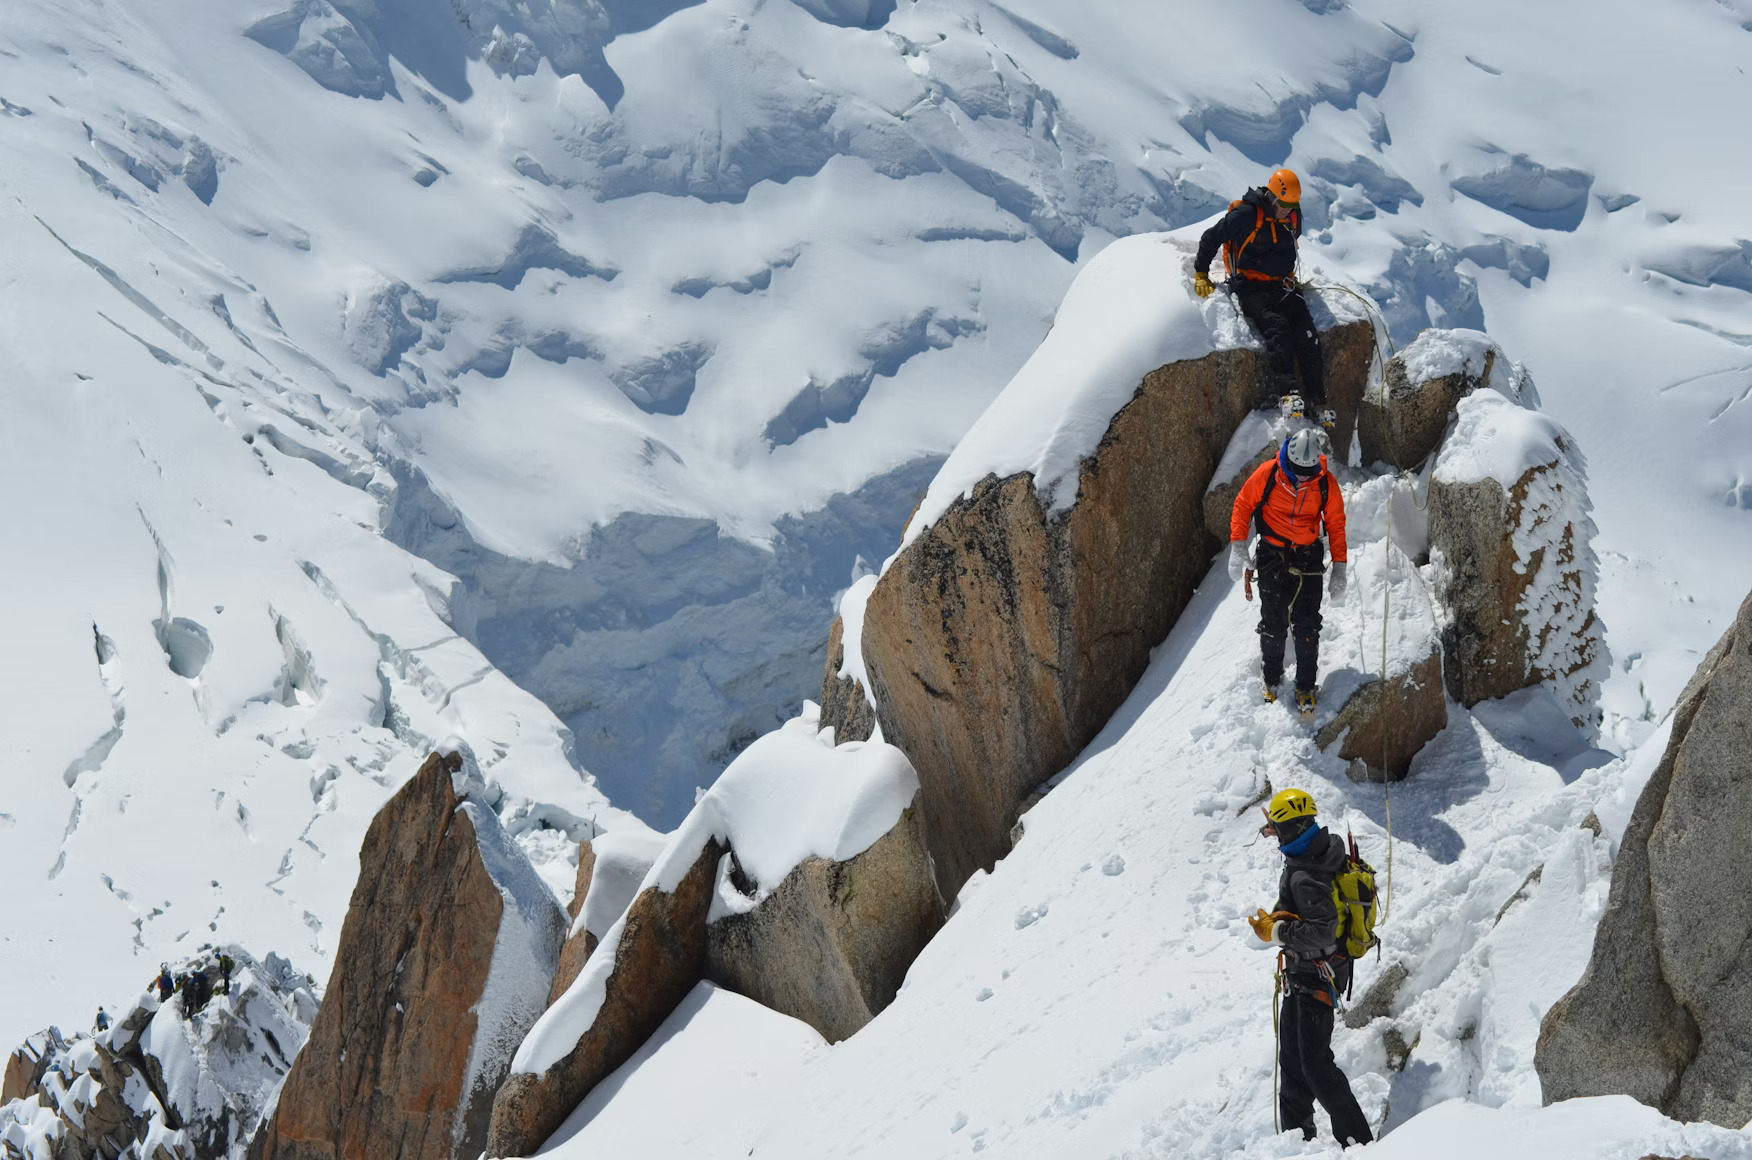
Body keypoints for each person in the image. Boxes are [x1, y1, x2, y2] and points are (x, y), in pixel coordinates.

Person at [1248, 788, 1373, 1148]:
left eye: (1279, 830)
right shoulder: (1323, 850)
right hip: (1312, 975)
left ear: (1294, 830)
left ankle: (1361, 1145)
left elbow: (1322, 930)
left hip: (1314, 977)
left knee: (1315, 1067)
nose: (1276, 837)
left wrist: (1277, 932)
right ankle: (1295, 1141)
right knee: (1293, 1062)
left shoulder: (1307, 875)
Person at [1192, 169, 1331, 425]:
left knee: (1307, 334)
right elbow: (1211, 237)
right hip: (1250, 285)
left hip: (1283, 285)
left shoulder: (1291, 217)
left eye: (1293, 206)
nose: (1289, 211)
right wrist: (1201, 272)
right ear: (1273, 199)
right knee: (1277, 330)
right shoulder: (1247, 215)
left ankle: (1317, 399)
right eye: (1285, 206)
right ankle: (1288, 394)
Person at [1228, 429, 1347, 713]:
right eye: (1299, 471)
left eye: (1309, 471)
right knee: (1273, 622)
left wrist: (1340, 566)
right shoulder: (1269, 473)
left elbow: (1336, 524)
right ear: (1288, 461)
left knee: (1307, 626)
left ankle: (1305, 685)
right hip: (1272, 554)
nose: (1304, 477)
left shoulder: (1325, 484)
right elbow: (1243, 504)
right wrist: (1238, 545)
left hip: (1308, 556)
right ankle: (1271, 678)